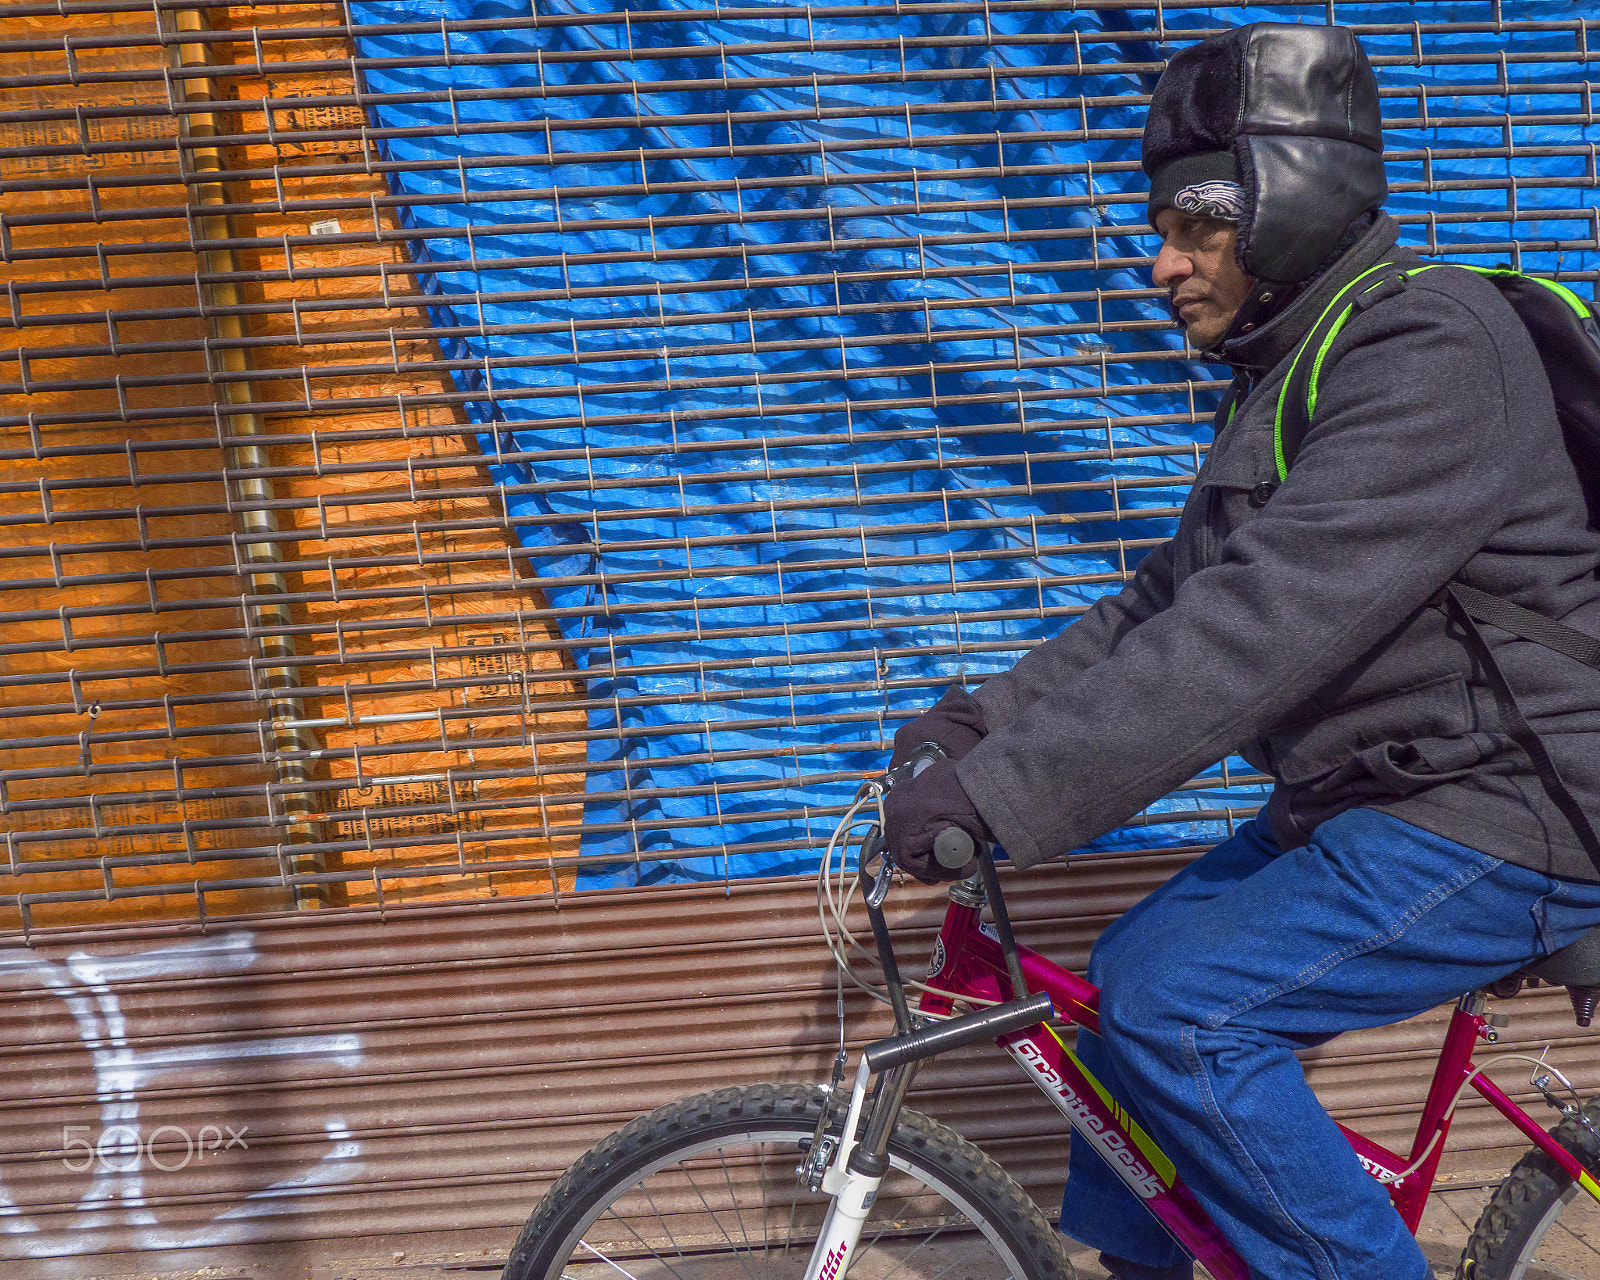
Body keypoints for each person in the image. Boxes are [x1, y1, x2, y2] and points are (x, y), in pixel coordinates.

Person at [880, 22, 1600, 1280]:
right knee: (1131, 976)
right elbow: (1166, 601)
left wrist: (1002, 798)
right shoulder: (1293, 370)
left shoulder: (1430, 351)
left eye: (1194, 222)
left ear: (1289, 199)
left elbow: (1253, 630)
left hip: (1514, 801)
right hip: (1389, 790)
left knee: (1187, 1012)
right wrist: (976, 721)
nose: (1159, 262)